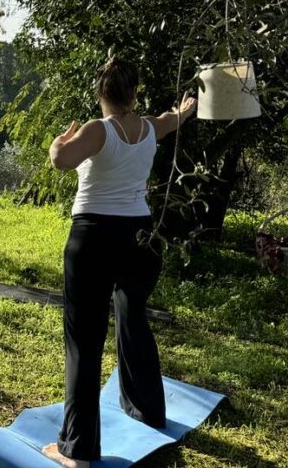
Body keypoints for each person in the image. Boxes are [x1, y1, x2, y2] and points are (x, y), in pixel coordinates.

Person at [42, 58, 196, 468]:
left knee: (84, 341)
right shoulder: (149, 126)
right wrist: (183, 111)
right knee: (133, 319)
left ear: (101, 93)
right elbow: (171, 120)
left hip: (94, 238)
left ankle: (77, 451)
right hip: (141, 239)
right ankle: (148, 410)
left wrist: (58, 142)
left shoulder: (98, 130)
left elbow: (61, 160)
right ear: (133, 93)